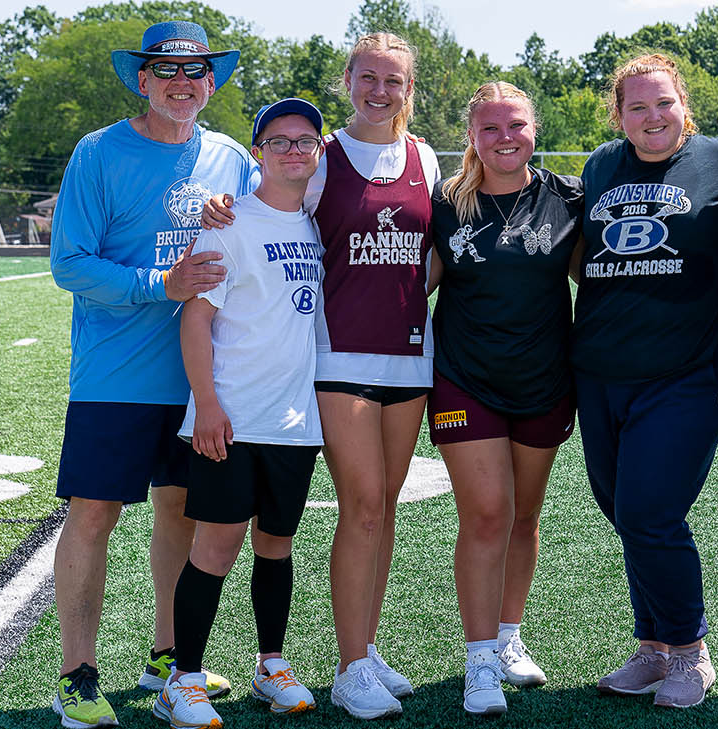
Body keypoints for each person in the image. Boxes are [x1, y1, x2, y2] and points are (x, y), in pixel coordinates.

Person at [200, 31, 440, 720]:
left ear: (408, 89)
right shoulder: (323, 159)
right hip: (338, 361)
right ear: (348, 80)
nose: (379, 91)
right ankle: (349, 666)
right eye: (368, 77)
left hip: (409, 358)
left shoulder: (423, 155)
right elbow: (261, 205)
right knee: (362, 506)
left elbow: (434, 254)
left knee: (384, 510)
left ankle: (366, 645)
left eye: (393, 81)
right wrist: (218, 206)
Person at [48, 21, 256, 729]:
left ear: (212, 82)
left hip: (202, 378)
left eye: (196, 72)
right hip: (114, 376)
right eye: (166, 71)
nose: (182, 83)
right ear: (141, 79)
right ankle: (77, 674)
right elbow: (70, 263)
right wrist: (159, 283)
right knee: (94, 513)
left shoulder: (232, 158)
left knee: (182, 512)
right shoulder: (100, 152)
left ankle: (167, 658)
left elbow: (266, 230)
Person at [571, 52, 718, 712]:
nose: (652, 117)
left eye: (664, 103)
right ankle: (652, 647)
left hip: (687, 370)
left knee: (651, 511)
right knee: (624, 512)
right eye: (637, 106)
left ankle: (689, 648)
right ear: (618, 115)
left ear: (685, 106)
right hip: (601, 369)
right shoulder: (599, 166)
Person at [153, 98, 327, 729]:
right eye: (278, 141)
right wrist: (206, 404)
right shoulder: (228, 224)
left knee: (276, 546)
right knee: (216, 545)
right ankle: (184, 677)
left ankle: (270, 666)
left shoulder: (314, 221)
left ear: (318, 151)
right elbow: (196, 318)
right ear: (259, 152)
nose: (292, 150)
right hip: (232, 415)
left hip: (295, 420)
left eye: (304, 140)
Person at [428, 81, 580, 715]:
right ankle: (480, 657)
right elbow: (411, 285)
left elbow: (605, 276)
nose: (504, 138)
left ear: (534, 129)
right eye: (490, 128)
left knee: (523, 515)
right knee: (487, 513)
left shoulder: (569, 199)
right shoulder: (444, 204)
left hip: (545, 378)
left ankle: (511, 637)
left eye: (515, 125)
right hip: (466, 378)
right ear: (472, 137)